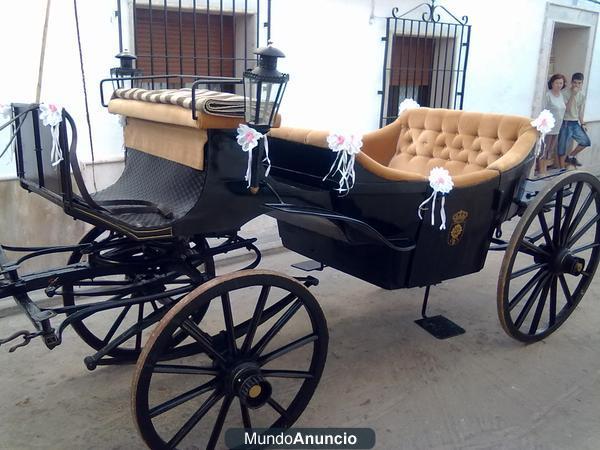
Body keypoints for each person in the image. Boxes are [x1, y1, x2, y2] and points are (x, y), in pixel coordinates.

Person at [557, 72, 591, 168]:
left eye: (579, 83)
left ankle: (571, 156)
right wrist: (572, 95)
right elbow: (566, 109)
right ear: (571, 82)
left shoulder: (582, 95)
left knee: (585, 141)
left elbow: (579, 111)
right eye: (575, 82)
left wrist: (583, 123)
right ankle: (562, 169)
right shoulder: (564, 93)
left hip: (575, 123)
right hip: (566, 122)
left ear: (582, 84)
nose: (577, 85)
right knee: (562, 147)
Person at [537, 73, 567, 174]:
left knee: (550, 149)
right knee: (544, 149)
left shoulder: (561, 95)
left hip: (557, 126)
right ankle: (542, 170)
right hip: (548, 126)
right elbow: (542, 110)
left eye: (561, 83)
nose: (559, 85)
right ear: (552, 83)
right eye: (557, 83)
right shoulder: (548, 95)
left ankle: (545, 168)